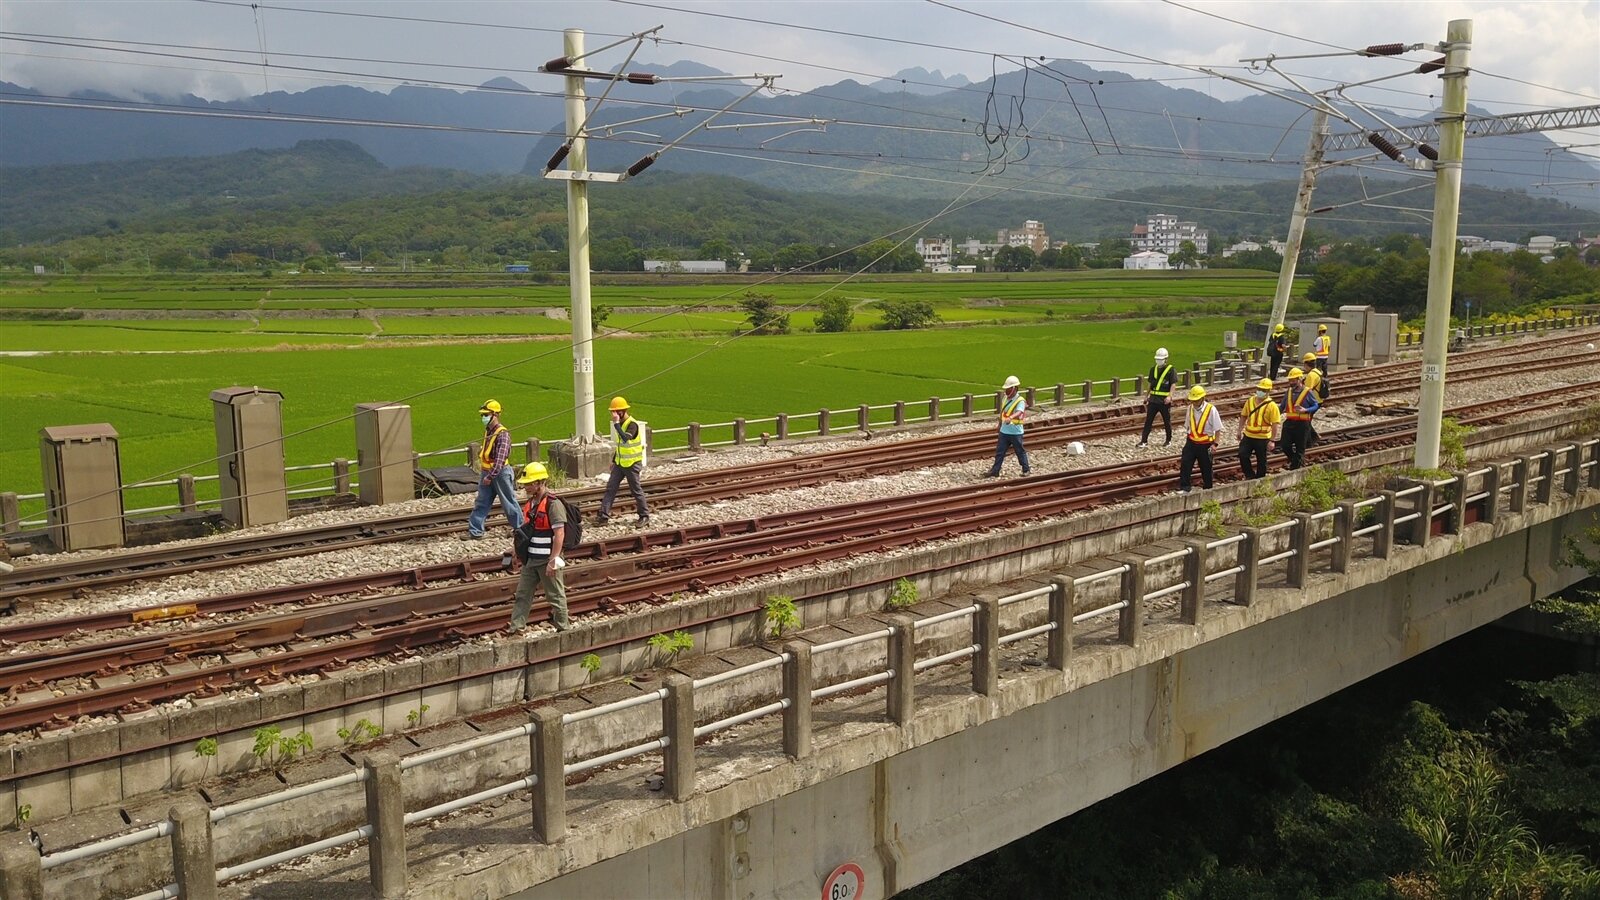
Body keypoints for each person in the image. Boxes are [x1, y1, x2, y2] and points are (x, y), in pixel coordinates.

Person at [509, 462, 568, 631]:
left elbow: (560, 534)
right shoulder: (530, 504)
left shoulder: (553, 504)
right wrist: (515, 550)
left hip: (546, 560)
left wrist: (554, 559)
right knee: (522, 595)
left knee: (555, 596)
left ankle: (563, 628)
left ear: (540, 483)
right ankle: (516, 629)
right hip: (531, 560)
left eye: (529, 483)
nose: (525, 486)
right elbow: (528, 532)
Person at [467, 399, 523, 540]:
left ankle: (521, 530)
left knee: (508, 502)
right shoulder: (488, 431)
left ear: (495, 415)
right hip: (488, 472)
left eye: (486, 415)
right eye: (483, 415)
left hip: (499, 474)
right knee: (481, 502)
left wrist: (490, 476)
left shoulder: (502, 434)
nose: (483, 418)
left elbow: (500, 459)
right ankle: (475, 532)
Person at [597, 396, 650, 527]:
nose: (613, 414)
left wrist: (615, 424)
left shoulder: (632, 424)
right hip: (620, 464)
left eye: (615, 411)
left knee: (636, 490)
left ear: (622, 411)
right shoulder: (620, 424)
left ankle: (644, 516)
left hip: (632, 464)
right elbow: (620, 445)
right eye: (612, 412)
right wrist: (614, 460)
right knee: (610, 488)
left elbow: (626, 439)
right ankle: (603, 516)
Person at [985, 375, 1031, 477]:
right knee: (999, 452)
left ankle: (1026, 469)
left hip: (1015, 432)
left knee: (1020, 451)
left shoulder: (1020, 401)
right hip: (1004, 431)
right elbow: (1002, 413)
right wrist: (1000, 424)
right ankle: (995, 470)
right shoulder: (1005, 398)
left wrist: (1011, 418)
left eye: (1008, 389)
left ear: (1014, 389)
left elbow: (1019, 412)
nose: (1006, 391)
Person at [1179, 385, 1221, 493]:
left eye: (1196, 400)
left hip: (1206, 444)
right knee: (1185, 464)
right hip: (1191, 442)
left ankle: (1208, 488)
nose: (1194, 402)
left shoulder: (1211, 409)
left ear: (1202, 398)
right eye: (1192, 400)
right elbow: (1188, 425)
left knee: (1206, 468)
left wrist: (1215, 444)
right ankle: (1185, 487)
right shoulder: (1190, 408)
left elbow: (1218, 428)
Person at [1238, 377, 1282, 480]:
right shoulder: (1250, 401)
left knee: (1261, 460)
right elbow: (1243, 415)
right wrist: (1239, 430)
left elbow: (1275, 424)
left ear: (1268, 391)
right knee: (1242, 455)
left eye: (1263, 390)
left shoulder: (1272, 406)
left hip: (1262, 437)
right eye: (1259, 389)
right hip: (1248, 435)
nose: (1260, 391)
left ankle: (1260, 478)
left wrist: (1272, 440)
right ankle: (1249, 475)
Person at [1281, 368, 1321, 469]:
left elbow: (1316, 405)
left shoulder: (1307, 392)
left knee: (1300, 448)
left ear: (1299, 379)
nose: (1291, 382)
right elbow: (1282, 407)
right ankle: (1295, 461)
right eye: (1290, 380)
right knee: (1285, 445)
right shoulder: (1288, 392)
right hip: (1289, 422)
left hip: (1302, 424)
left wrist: (1306, 410)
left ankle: (1295, 467)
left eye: (1293, 380)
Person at [1138, 348, 1176, 447]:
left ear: (1166, 359)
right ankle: (1144, 441)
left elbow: (1173, 384)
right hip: (1153, 399)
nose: (1159, 361)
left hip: (1164, 401)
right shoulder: (1153, 369)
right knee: (1148, 421)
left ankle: (1168, 440)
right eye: (1158, 359)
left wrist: (1170, 396)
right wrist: (1146, 396)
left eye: (1161, 359)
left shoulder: (1171, 370)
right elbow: (1150, 384)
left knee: (1166, 421)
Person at [1313, 325, 1332, 398]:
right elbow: (1329, 347)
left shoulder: (1319, 338)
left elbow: (1314, 345)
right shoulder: (1328, 338)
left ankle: (1318, 382)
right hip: (1325, 356)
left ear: (1320, 331)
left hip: (1319, 356)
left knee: (1318, 370)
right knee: (1325, 370)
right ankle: (1326, 383)